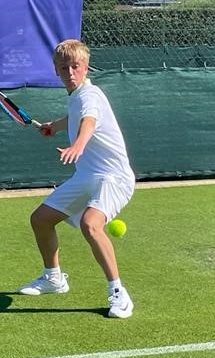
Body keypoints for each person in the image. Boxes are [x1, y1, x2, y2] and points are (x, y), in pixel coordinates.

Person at [18, 39, 136, 318]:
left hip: (113, 178)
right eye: (63, 67)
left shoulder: (90, 95)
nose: (70, 72)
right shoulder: (77, 95)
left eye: (75, 66)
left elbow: (88, 122)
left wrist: (78, 146)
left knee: (90, 225)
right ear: (56, 71)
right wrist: (54, 127)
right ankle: (53, 278)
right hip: (87, 175)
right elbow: (75, 115)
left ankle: (119, 293)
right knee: (41, 219)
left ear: (85, 67)